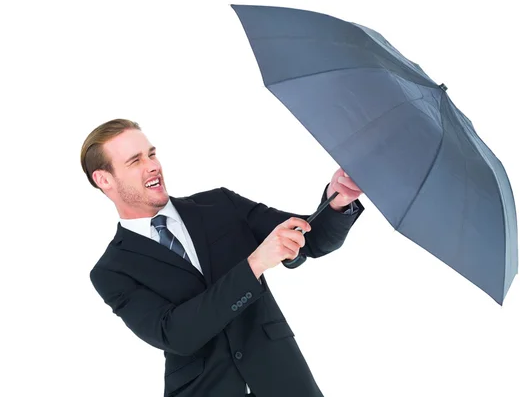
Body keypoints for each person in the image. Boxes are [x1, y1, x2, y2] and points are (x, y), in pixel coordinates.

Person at [81, 119, 365, 397]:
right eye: (135, 161)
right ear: (104, 179)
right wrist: (255, 264)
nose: (153, 165)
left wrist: (337, 201)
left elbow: (311, 240)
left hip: (285, 380)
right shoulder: (112, 271)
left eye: (151, 154)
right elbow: (176, 334)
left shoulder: (219, 204)